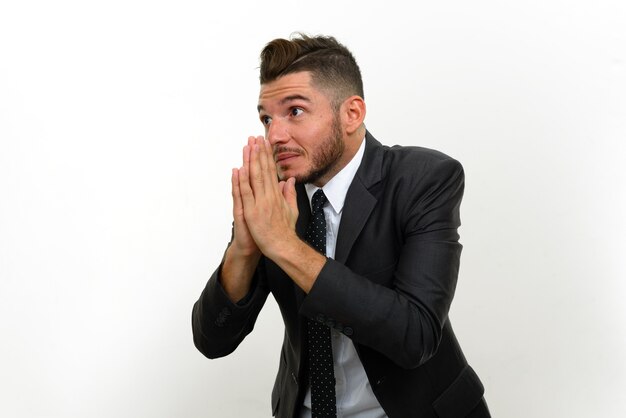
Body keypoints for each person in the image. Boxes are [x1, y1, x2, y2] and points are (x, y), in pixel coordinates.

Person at [192, 33, 490, 418]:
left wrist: (285, 245)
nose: (275, 135)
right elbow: (212, 340)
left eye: (295, 111)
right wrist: (244, 250)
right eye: (267, 118)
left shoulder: (424, 179)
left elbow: (415, 336)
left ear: (352, 114)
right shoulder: (276, 195)